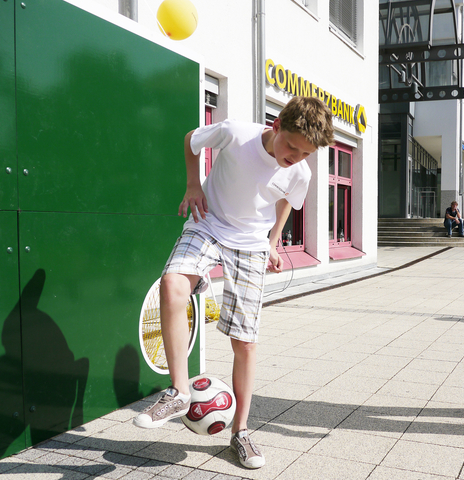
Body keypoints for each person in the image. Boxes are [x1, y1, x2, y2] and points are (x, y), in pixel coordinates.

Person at [133, 96, 334, 469]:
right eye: (291, 145)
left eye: (306, 153)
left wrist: (273, 244)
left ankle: (240, 432)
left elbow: (286, 201)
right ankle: (179, 391)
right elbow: (192, 139)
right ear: (276, 127)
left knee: (244, 342)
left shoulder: (300, 172)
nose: (295, 157)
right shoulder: (235, 132)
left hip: (251, 246)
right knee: (172, 284)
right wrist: (194, 185)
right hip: (207, 223)